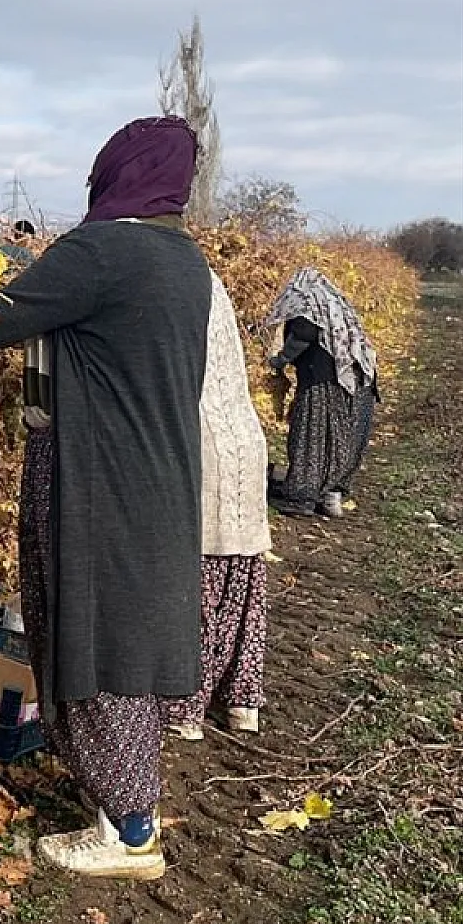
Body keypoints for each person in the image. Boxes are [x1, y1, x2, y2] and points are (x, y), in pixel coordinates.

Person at [0, 116, 212, 881]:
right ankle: (125, 802)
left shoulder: (103, 250)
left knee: (96, 633)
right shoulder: (183, 260)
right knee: (129, 634)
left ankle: (129, 832)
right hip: (157, 476)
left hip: (98, 477)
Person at [168, 272, 273, 740]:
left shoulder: (176, 294)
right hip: (246, 440)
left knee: (197, 593)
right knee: (243, 589)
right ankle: (241, 704)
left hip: (205, 443)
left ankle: (185, 712)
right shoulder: (215, 295)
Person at [264, 268, 379, 519]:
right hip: (359, 383)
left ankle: (303, 498)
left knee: (311, 436)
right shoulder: (337, 307)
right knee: (341, 440)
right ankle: (331, 494)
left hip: (326, 383)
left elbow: (303, 335)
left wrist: (279, 361)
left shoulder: (308, 305)